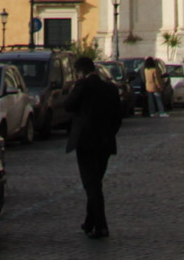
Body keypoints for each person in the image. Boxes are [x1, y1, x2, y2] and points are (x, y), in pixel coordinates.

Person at [63, 55, 123, 239]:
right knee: (95, 182)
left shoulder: (82, 86)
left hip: (86, 143)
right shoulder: (110, 88)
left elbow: (68, 106)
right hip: (105, 142)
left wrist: (73, 89)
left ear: (79, 72)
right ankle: (90, 222)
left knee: (92, 186)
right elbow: (118, 117)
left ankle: (101, 226)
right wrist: (109, 133)